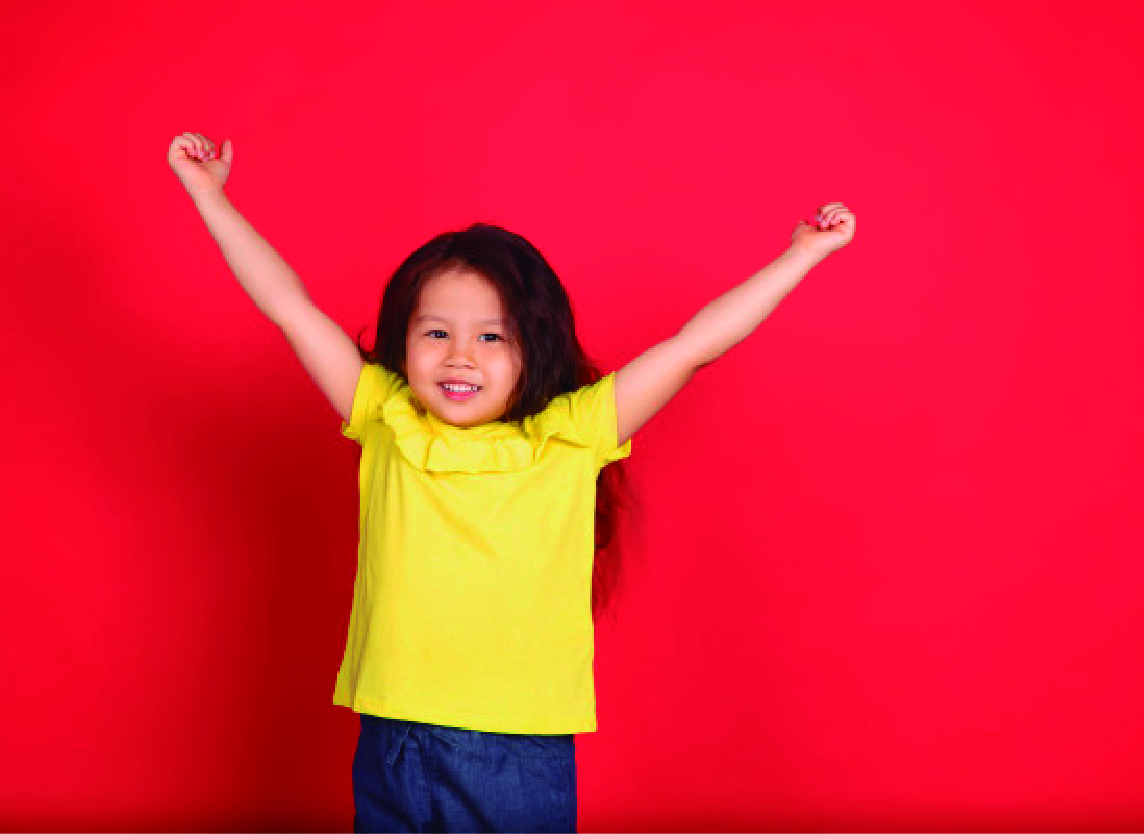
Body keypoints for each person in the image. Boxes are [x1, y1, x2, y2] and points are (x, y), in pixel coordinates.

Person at [167, 131, 856, 833]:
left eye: (492, 337)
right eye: (436, 332)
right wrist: (209, 194)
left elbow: (693, 346)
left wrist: (800, 255)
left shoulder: (574, 430)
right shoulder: (384, 414)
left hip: (515, 751)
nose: (460, 355)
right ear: (405, 340)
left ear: (536, 346)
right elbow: (289, 306)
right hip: (392, 735)